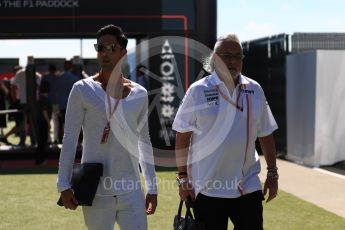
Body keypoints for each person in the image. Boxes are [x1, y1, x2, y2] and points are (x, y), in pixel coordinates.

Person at [173, 34, 279, 230]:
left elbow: (265, 133)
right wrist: (183, 178)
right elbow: (182, 137)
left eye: (237, 56)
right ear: (215, 58)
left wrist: (272, 173)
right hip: (208, 189)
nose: (232, 61)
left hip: (247, 186)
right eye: (227, 55)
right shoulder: (198, 91)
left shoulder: (255, 89)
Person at [57, 24, 158, 230]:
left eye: (111, 48)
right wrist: (63, 185)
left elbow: (144, 140)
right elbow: (69, 138)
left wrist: (152, 186)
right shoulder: (82, 89)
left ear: (123, 52)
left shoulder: (140, 93)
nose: (105, 52)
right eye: (100, 47)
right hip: (96, 191)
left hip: (131, 190)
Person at [54, 60, 79, 143]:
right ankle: (73, 140)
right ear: (71, 67)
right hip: (72, 105)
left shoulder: (59, 78)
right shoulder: (75, 78)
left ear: (64, 67)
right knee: (72, 124)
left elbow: (56, 92)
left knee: (61, 123)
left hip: (61, 104)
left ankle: (60, 140)